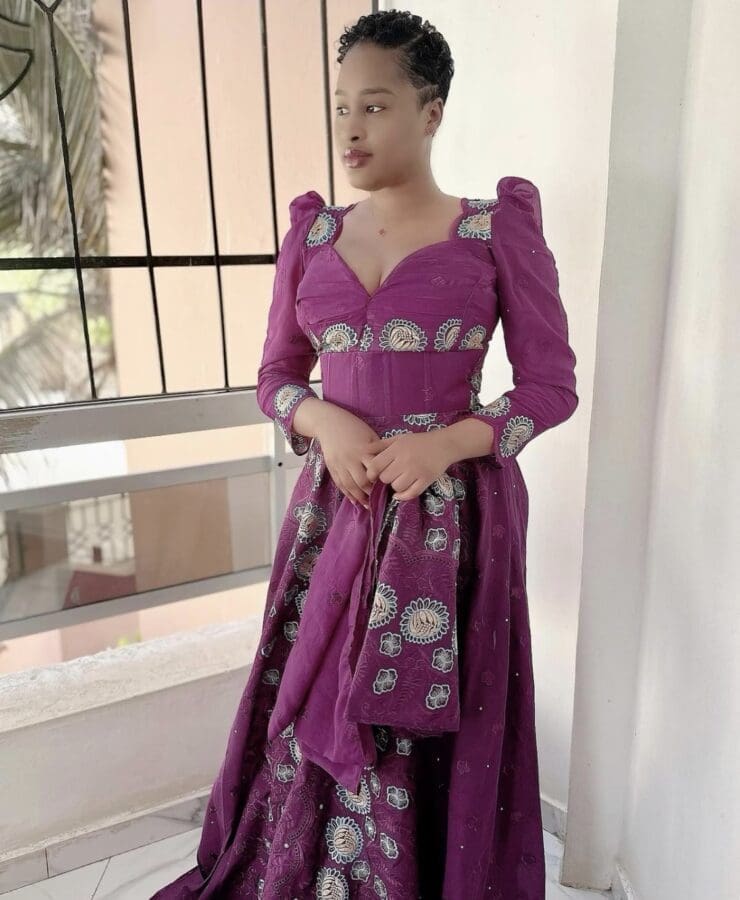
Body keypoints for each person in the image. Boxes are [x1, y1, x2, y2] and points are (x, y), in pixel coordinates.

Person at [152, 9, 578, 899]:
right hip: (334, 513)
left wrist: (449, 443)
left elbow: (550, 387)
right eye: (342, 106)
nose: (351, 127)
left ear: (431, 112)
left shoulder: (493, 230)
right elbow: (275, 376)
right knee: (314, 690)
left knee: (429, 712)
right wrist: (321, 420)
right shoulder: (313, 237)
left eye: (375, 106)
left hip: (451, 518)